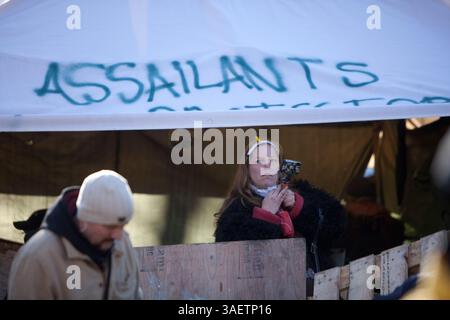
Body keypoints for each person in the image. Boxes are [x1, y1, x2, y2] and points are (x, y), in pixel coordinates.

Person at [214, 139, 346, 274]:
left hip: (313, 288)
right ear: (247, 168)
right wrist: (265, 217)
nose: (267, 165)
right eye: (258, 161)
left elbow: (337, 227)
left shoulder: (304, 193)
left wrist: (299, 207)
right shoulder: (236, 209)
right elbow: (229, 259)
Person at [8, 170, 142, 299]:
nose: (118, 236)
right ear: (84, 218)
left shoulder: (122, 243)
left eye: (122, 226)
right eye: (110, 226)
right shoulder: (38, 257)